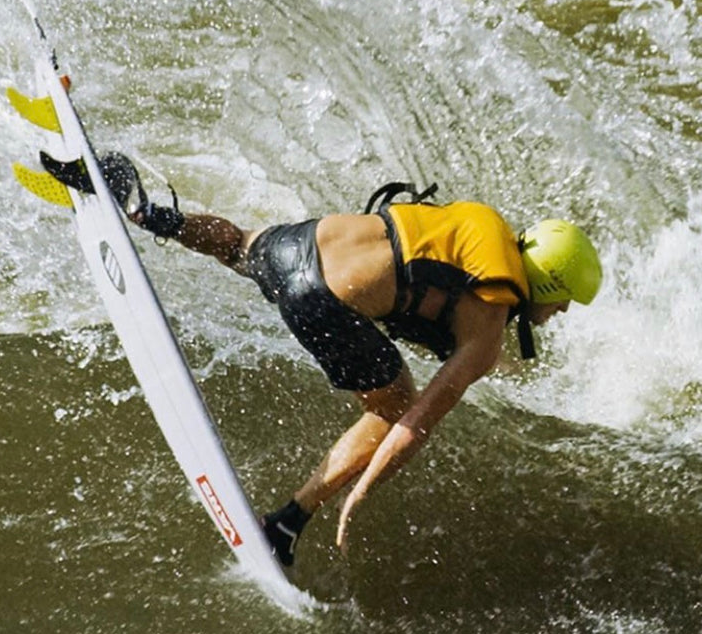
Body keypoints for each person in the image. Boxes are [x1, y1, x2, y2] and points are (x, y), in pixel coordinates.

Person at [96, 154, 603, 567]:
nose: (558, 313)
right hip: (321, 300)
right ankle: (289, 521)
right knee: (390, 402)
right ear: (550, 282)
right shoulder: (487, 330)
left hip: (300, 245)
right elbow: (414, 422)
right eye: (563, 301)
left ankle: (150, 215)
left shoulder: (482, 226)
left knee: (237, 245)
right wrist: (359, 493)